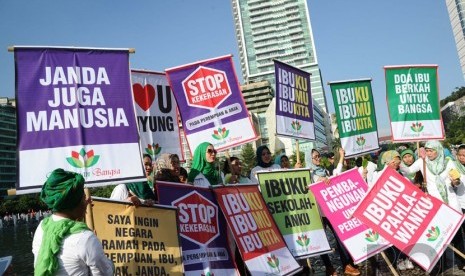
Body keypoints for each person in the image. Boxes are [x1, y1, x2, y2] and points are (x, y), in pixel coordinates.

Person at [32, 168, 114, 275]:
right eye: (84, 198)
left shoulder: (43, 226)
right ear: (76, 203)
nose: (87, 203)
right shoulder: (85, 238)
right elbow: (105, 273)